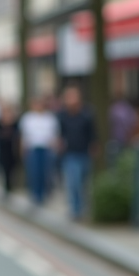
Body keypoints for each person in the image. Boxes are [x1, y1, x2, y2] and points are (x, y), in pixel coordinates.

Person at [57, 86, 95, 220]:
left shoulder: (86, 114)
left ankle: (83, 207)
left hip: (84, 152)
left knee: (83, 182)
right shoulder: (62, 116)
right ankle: (75, 209)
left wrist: (94, 146)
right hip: (70, 153)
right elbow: (59, 133)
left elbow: (92, 132)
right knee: (74, 182)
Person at [19, 97, 59, 206]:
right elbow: (24, 136)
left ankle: (44, 194)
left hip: (46, 149)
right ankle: (35, 194)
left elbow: (54, 135)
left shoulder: (49, 118)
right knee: (34, 172)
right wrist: (22, 149)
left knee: (45, 172)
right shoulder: (27, 118)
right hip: (33, 148)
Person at [0, 103, 20, 198]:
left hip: (12, 150)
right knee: (4, 170)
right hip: (2, 150)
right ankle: (6, 188)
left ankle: (10, 188)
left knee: (11, 170)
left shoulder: (15, 123)